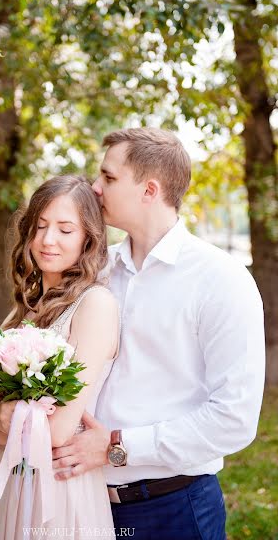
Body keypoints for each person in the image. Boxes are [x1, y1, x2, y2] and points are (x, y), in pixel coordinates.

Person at [51, 127, 265, 539]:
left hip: (172, 508)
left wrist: (116, 445)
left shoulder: (221, 280)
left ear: (150, 190)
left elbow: (234, 420)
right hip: (82, 502)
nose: (94, 189)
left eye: (109, 178)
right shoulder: (94, 270)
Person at [0, 175, 120, 539]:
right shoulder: (28, 307)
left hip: (58, 489)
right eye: (39, 226)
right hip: (9, 479)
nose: (47, 240)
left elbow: (56, 431)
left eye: (65, 229)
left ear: (89, 237)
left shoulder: (95, 306)